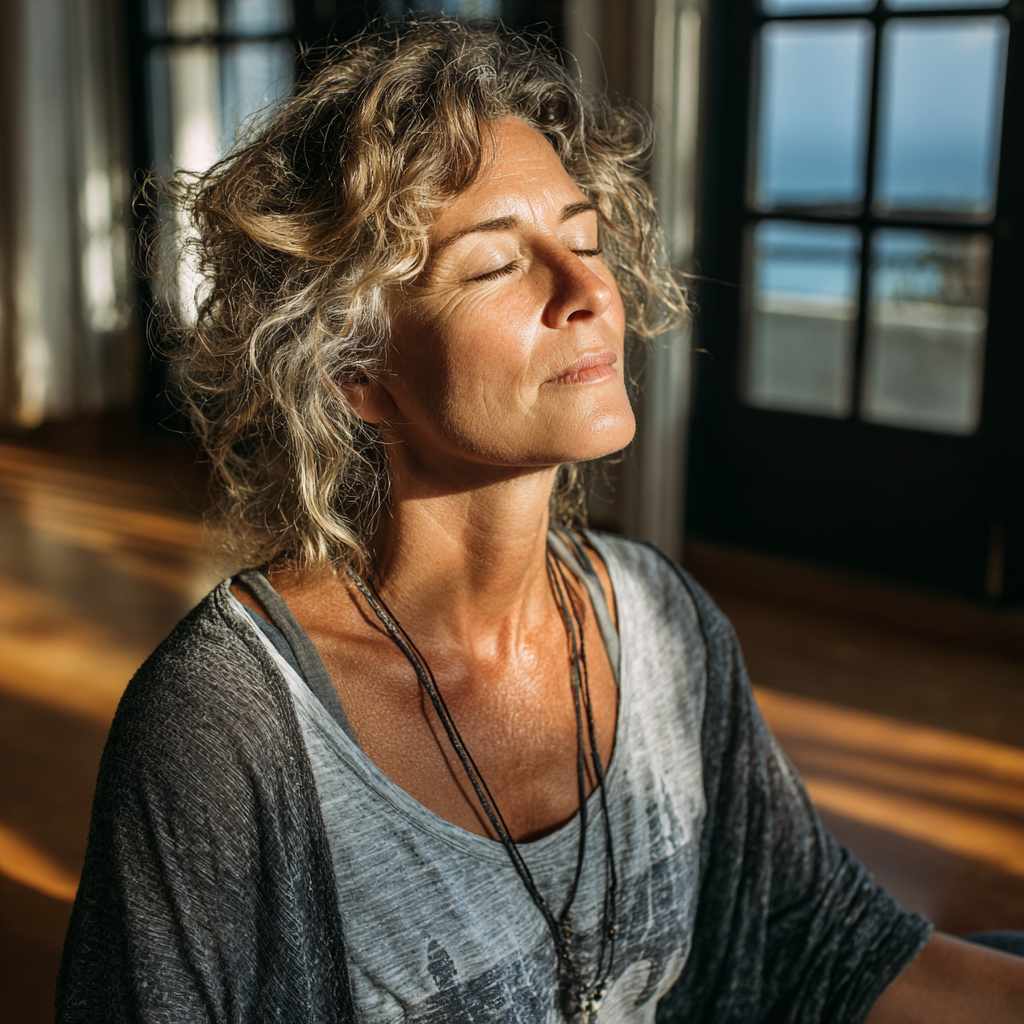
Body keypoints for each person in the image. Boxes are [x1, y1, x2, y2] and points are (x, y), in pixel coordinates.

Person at [57, 18, 1024, 1024]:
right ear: (354, 371)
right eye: (495, 265)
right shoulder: (224, 734)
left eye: (582, 237)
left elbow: (825, 943)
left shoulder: (659, 621)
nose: (588, 291)